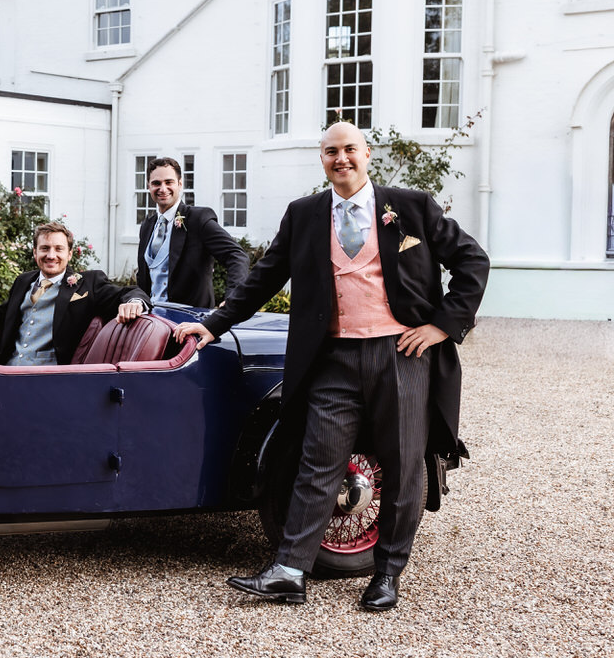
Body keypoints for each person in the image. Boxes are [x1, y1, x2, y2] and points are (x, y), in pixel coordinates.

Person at [174, 121, 488, 611]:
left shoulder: (410, 206)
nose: (340, 158)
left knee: (403, 465)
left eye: (349, 150)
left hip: (400, 354)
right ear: (321, 159)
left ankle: (387, 574)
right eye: (329, 152)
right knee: (317, 462)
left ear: (367, 155)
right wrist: (213, 325)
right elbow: (261, 279)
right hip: (333, 358)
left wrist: (442, 327)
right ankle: (290, 571)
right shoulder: (304, 214)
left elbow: (472, 261)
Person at [0, 221, 150, 366]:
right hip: (5, 371)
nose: (51, 255)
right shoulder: (23, 281)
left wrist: (134, 302)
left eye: (58, 249)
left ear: (69, 254)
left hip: (50, 378)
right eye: (45, 248)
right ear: (35, 252)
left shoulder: (87, 284)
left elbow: (129, 292)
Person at [137, 157, 248, 308]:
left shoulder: (198, 219)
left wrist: (232, 299)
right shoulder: (147, 226)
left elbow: (236, 255)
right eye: (156, 183)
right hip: (153, 321)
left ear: (180, 184)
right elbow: (143, 279)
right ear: (148, 186)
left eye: (169, 182)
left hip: (190, 320)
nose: (162, 189)